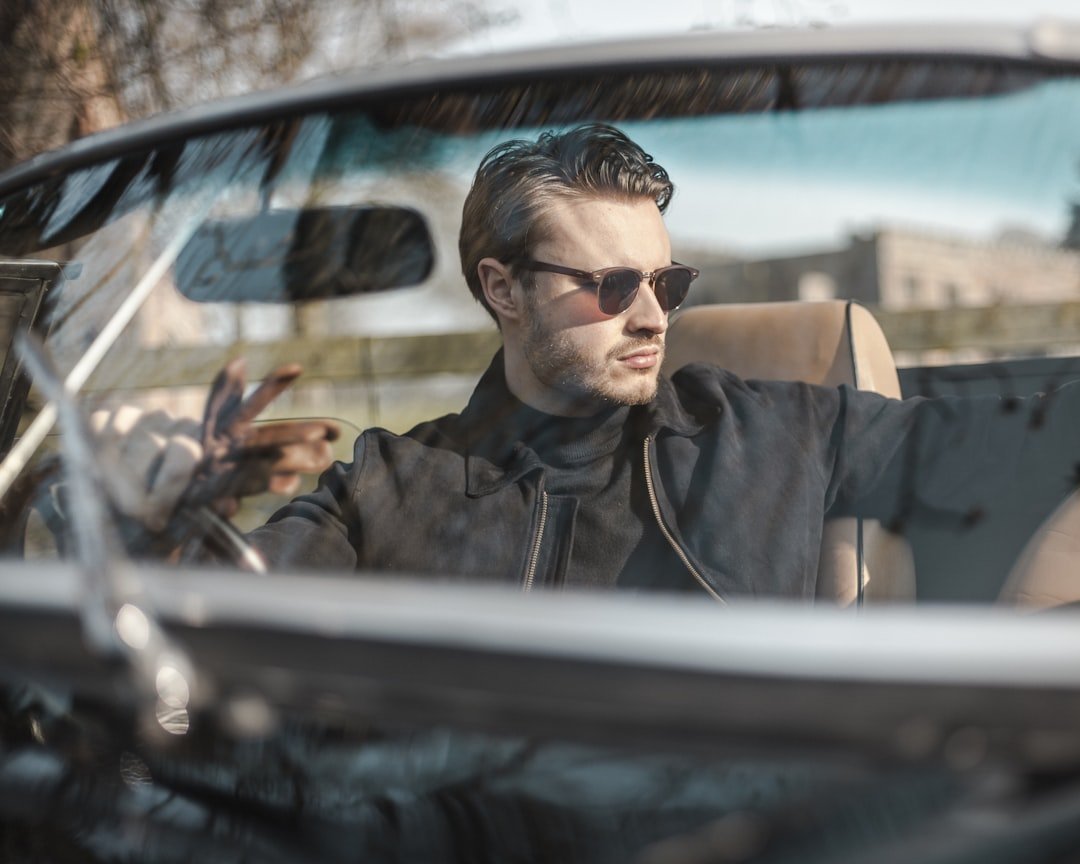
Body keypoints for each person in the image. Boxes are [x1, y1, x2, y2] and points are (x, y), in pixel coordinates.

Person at [103, 123, 1080, 599]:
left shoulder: (776, 430)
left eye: (669, 283)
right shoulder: (390, 482)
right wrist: (145, 515)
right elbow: (225, 607)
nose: (652, 313)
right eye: (612, 287)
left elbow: (1030, 441)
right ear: (501, 289)